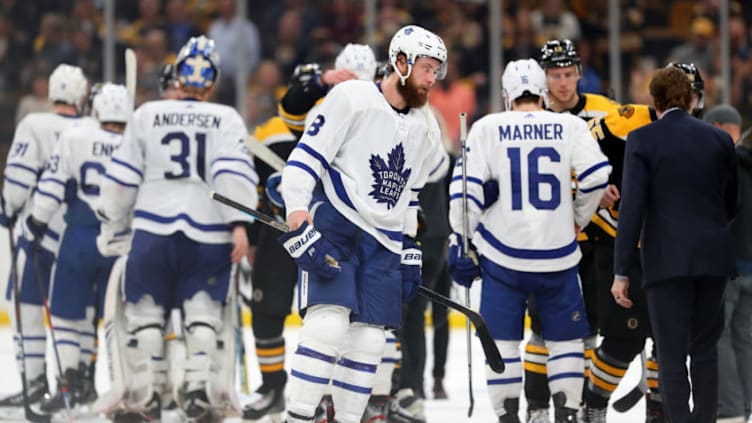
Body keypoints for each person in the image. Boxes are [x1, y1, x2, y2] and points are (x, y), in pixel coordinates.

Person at [278, 25, 448, 423]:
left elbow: (412, 196)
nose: (431, 79)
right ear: (401, 62)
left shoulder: (426, 125)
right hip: (338, 224)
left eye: (436, 71)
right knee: (328, 324)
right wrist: (298, 213)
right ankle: (299, 416)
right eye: (425, 68)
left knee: (371, 339)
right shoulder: (352, 97)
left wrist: (409, 246)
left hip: (385, 242)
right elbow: (305, 159)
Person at [96, 35, 258, 422]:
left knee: (147, 315)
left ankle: (147, 397)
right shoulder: (227, 118)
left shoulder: (148, 114)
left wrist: (112, 220)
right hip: (209, 233)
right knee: (203, 316)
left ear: (178, 76)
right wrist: (240, 225)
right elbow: (232, 175)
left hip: (152, 229)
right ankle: (198, 394)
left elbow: (121, 181)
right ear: (213, 82)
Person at [447, 58, 610, 423]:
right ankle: (567, 412)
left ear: (506, 95)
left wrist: (463, 241)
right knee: (566, 342)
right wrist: (577, 218)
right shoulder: (568, 125)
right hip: (558, 255)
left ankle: (508, 415)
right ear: (543, 90)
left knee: (503, 343)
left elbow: (464, 194)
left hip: (502, 257)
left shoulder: (488, 127)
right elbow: (598, 176)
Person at [241, 43, 382, 423]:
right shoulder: (302, 118)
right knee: (273, 309)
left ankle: (338, 395)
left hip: (346, 233)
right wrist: (254, 234)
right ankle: (275, 388)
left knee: (347, 323)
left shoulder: (382, 121)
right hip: (289, 229)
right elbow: (292, 108)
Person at [523, 39, 649, 422]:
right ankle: (537, 408)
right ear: (543, 78)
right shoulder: (530, 117)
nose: (563, 83)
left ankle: (578, 407)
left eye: (569, 74)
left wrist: (621, 187)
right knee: (544, 329)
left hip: (600, 240)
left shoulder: (606, 110)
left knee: (593, 327)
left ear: (579, 72)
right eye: (555, 75)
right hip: (550, 238)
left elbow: (632, 159)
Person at [612, 65, 737, 423]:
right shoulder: (720, 140)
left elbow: (631, 210)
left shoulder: (642, 139)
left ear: (654, 101)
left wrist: (622, 270)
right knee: (705, 349)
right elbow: (731, 203)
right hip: (713, 258)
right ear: (691, 98)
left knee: (670, 354)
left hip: (666, 261)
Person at [26, 83, 132, 412]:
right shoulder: (135, 142)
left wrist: (37, 221)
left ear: (95, 109)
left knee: (67, 316)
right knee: (120, 321)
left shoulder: (75, 137)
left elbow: (52, 185)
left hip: (79, 238)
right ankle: (124, 391)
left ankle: (71, 384)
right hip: (120, 241)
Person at [0, 63, 95, 409]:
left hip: (39, 228)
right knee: (77, 309)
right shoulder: (91, 127)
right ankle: (79, 380)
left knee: (26, 302)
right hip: (80, 231)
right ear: (81, 94)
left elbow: (19, 177)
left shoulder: (35, 124)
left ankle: (34, 380)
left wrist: (8, 208)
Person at [704, 105, 751, 423]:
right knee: (745, 336)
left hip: (726, 264)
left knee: (718, 335)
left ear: (719, 127)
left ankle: (731, 409)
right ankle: (746, 405)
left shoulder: (719, 164)